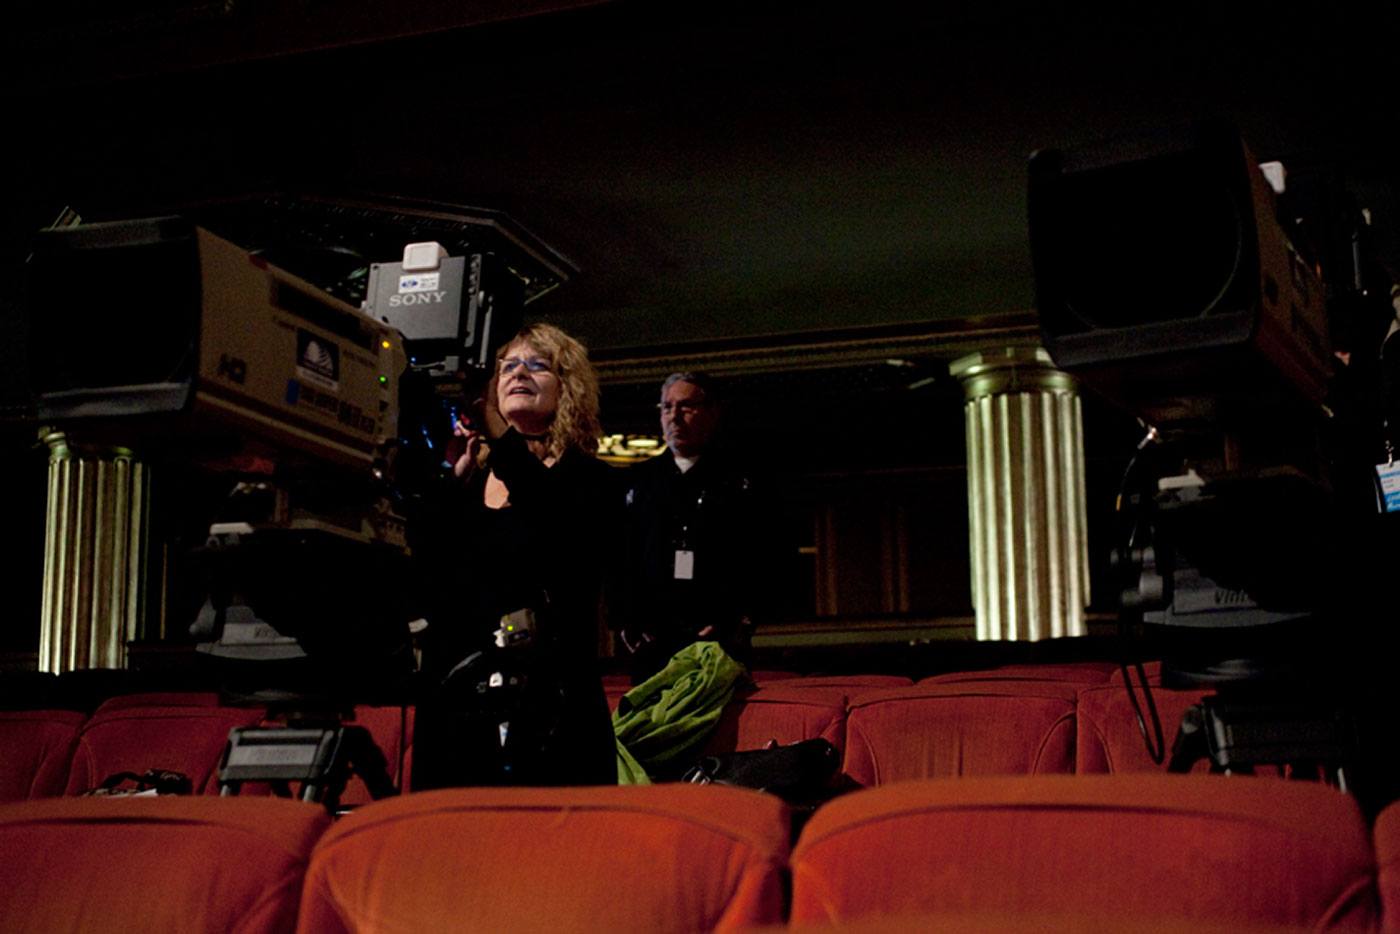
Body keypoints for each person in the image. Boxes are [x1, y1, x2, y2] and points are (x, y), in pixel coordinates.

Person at [409, 323, 618, 787]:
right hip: (461, 705)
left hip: (552, 709)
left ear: (567, 388)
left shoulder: (589, 479)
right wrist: (450, 483)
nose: (519, 373)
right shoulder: (467, 481)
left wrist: (499, 436)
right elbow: (425, 574)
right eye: (507, 367)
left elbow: (555, 528)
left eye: (537, 365)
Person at [612, 372, 784, 684]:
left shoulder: (739, 482)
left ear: (711, 413)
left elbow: (765, 556)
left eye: (686, 406)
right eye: (667, 407)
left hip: (720, 637)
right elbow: (619, 558)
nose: (674, 416)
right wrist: (626, 622)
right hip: (652, 642)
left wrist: (741, 621)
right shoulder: (639, 482)